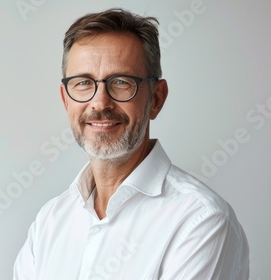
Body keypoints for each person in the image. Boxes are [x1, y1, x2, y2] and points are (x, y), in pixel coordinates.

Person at [13, 8, 249, 280]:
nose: (100, 103)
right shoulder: (50, 221)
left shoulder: (201, 219)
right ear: (66, 100)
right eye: (83, 83)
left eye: (122, 82)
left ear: (156, 99)